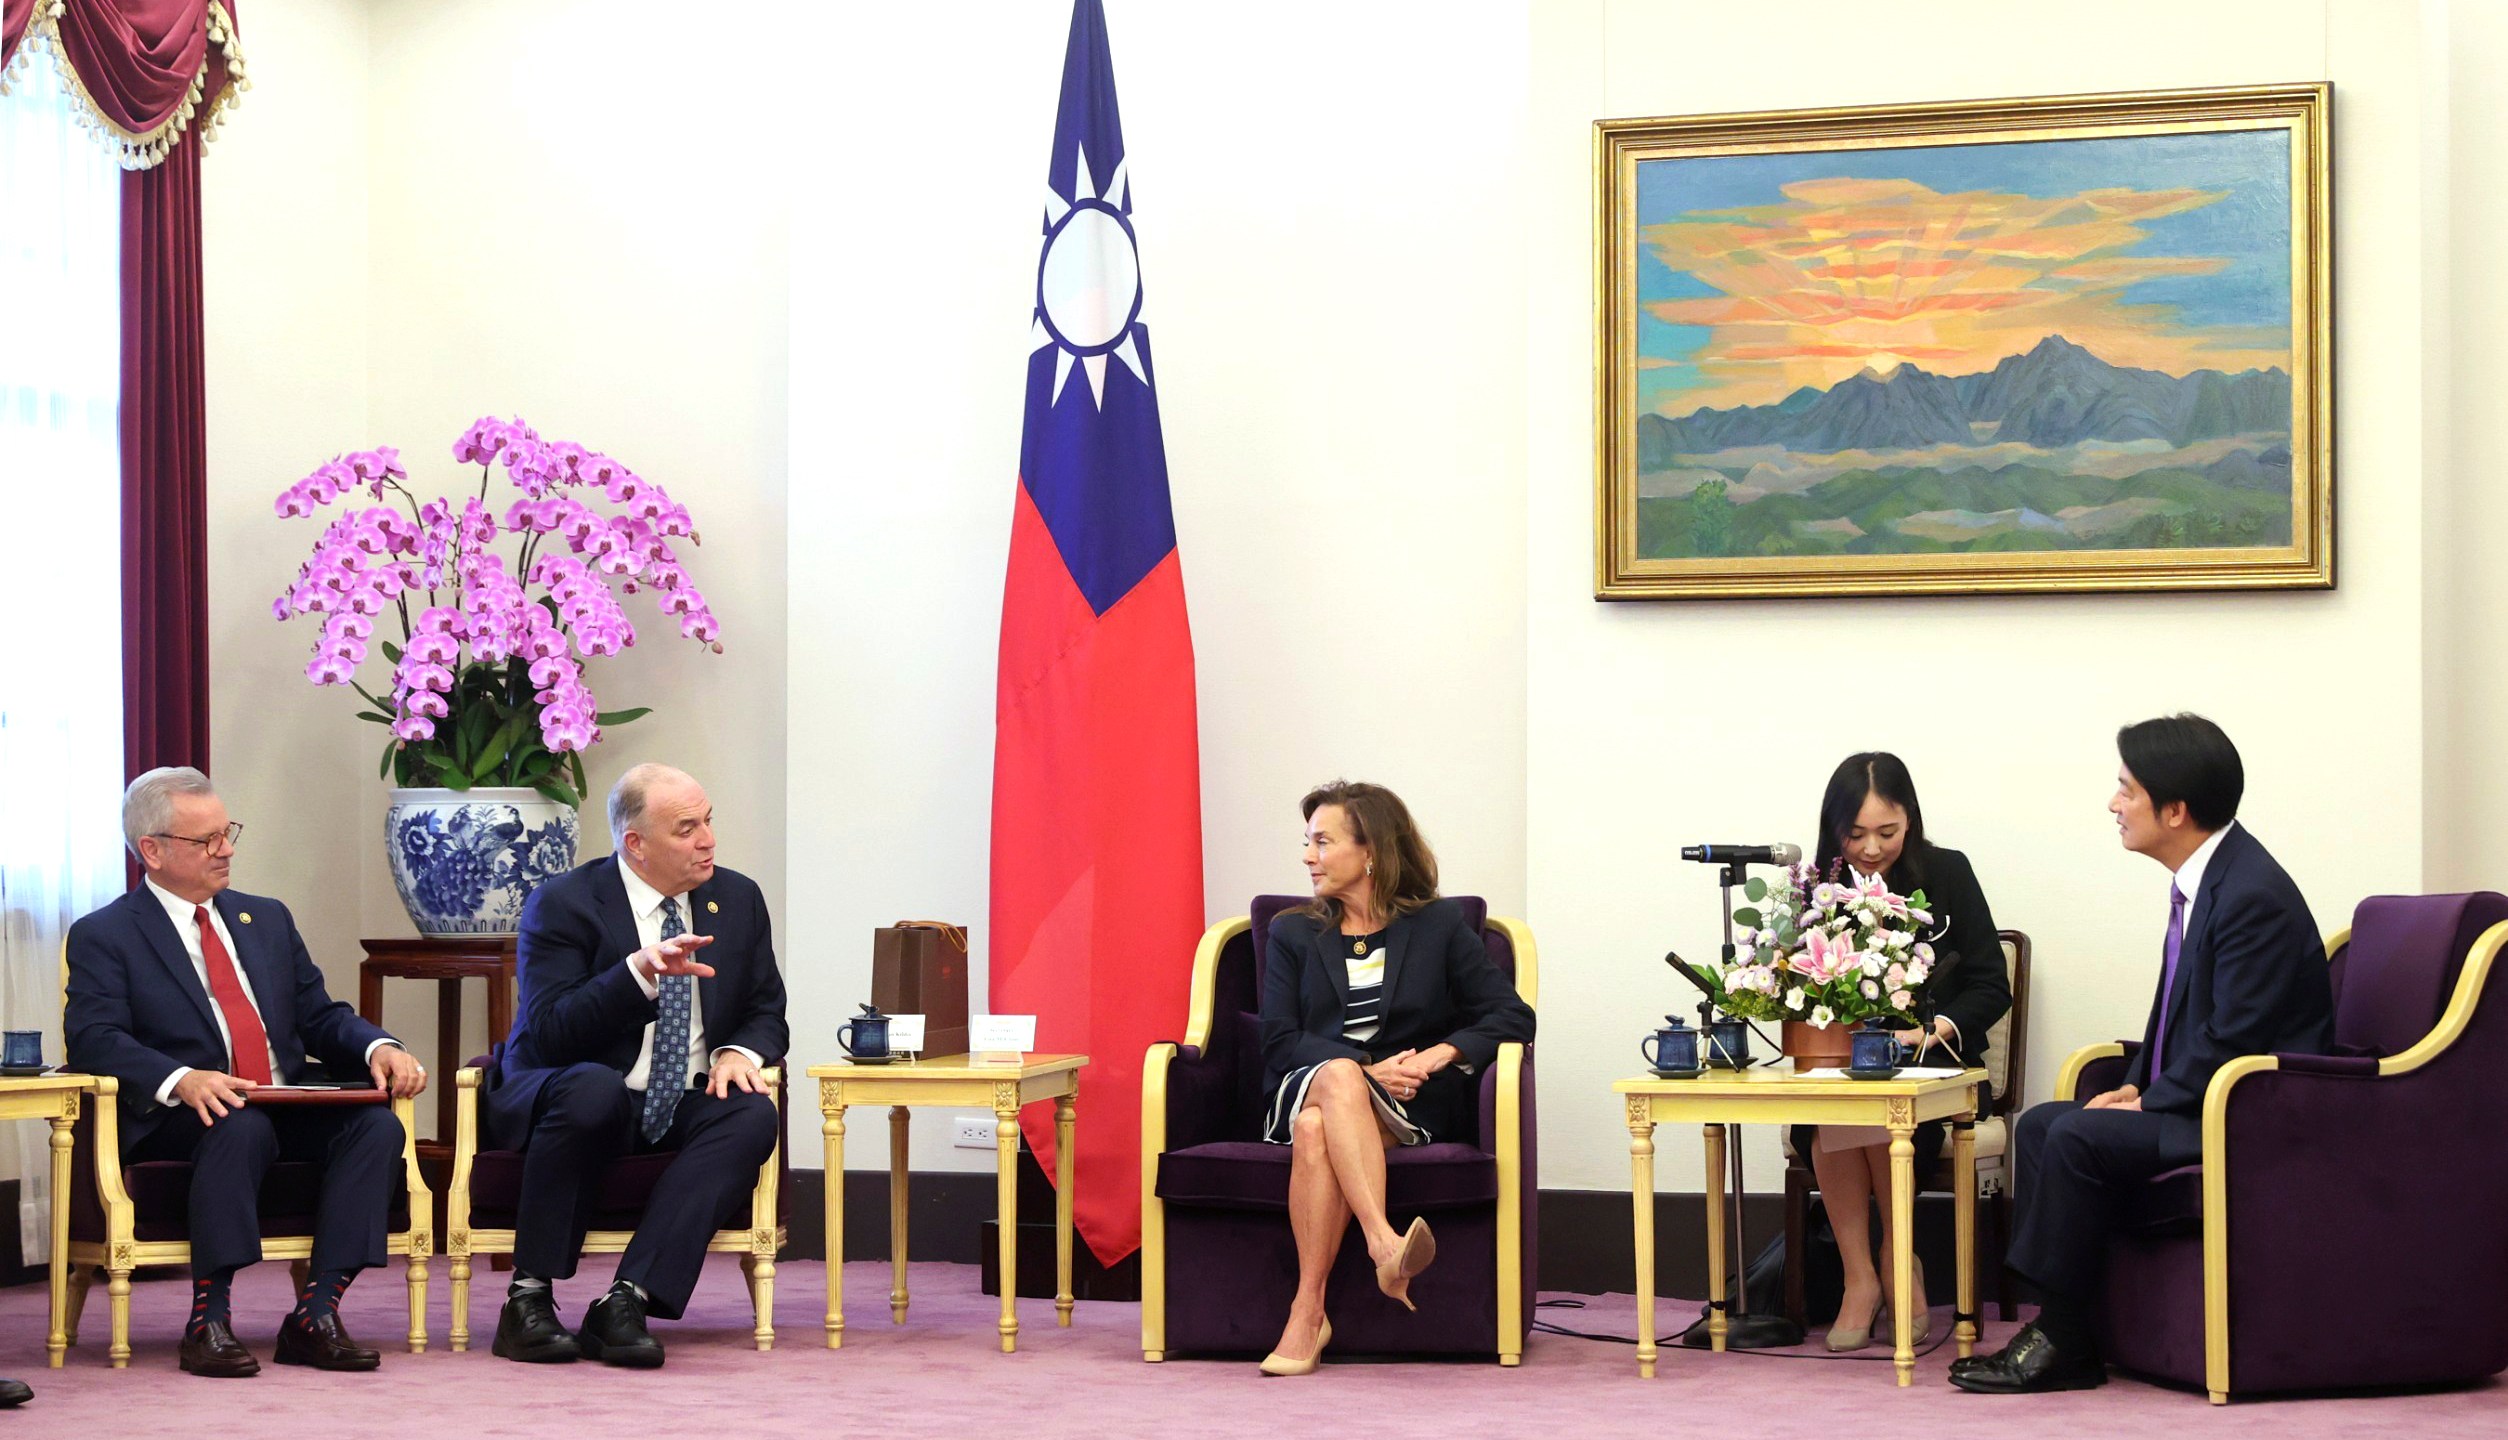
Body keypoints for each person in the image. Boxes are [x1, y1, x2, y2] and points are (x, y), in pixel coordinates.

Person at [1952, 714, 2334, 1394]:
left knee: (2074, 1137)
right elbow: (2174, 1024)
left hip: (2253, 1117)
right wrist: (2134, 1084)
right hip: (2205, 1098)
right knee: (2044, 1123)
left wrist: (2149, 1098)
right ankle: (2064, 1327)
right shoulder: (2209, 881)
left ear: (2176, 809)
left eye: (2126, 789)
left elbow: (2234, 1039)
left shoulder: (2252, 897)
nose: (2114, 804)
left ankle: (2061, 1338)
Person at [65, 767, 426, 1378]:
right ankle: (209, 1318)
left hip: (285, 1097)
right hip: (187, 1113)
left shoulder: (267, 919)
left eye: (226, 832)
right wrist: (181, 1077)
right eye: (205, 840)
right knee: (241, 1127)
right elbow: (94, 1038)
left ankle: (316, 1314)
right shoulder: (106, 934)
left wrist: (378, 1047)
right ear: (152, 850)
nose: (226, 848)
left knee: (376, 1128)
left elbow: (319, 1014)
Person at [484, 764, 787, 1368]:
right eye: (686, 829)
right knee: (593, 1088)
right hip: (579, 1089)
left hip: (681, 1097)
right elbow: (549, 1034)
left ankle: (627, 1300)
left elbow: (766, 1011)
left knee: (751, 1114)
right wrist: (637, 975)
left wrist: (737, 1052)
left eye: (708, 822)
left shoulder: (739, 898)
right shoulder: (564, 903)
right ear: (636, 845)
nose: (708, 840)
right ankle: (528, 1299)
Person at [1252, 781, 1536, 1377]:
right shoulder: (1292, 932)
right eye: (1308, 843)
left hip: (1409, 1106)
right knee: (1329, 1086)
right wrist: (1361, 1069)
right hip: (1308, 1082)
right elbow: (1278, 1038)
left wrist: (1436, 1055)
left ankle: (1308, 1313)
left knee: (1315, 1132)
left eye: (1323, 842)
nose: (1308, 856)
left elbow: (1512, 1014)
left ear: (1372, 850)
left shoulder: (1436, 925)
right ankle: (1385, 1244)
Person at [1793, 753, 2012, 1351]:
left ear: (1910, 820)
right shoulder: (1819, 886)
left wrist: (1931, 1030)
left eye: (1886, 832)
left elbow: (1992, 982)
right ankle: (1867, 1275)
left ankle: (1892, 1258)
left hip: (1935, 1065)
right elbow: (1797, 981)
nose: (1870, 848)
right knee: (1848, 1097)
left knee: (1868, 1100)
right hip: (1847, 1068)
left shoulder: (1947, 872)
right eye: (1854, 834)